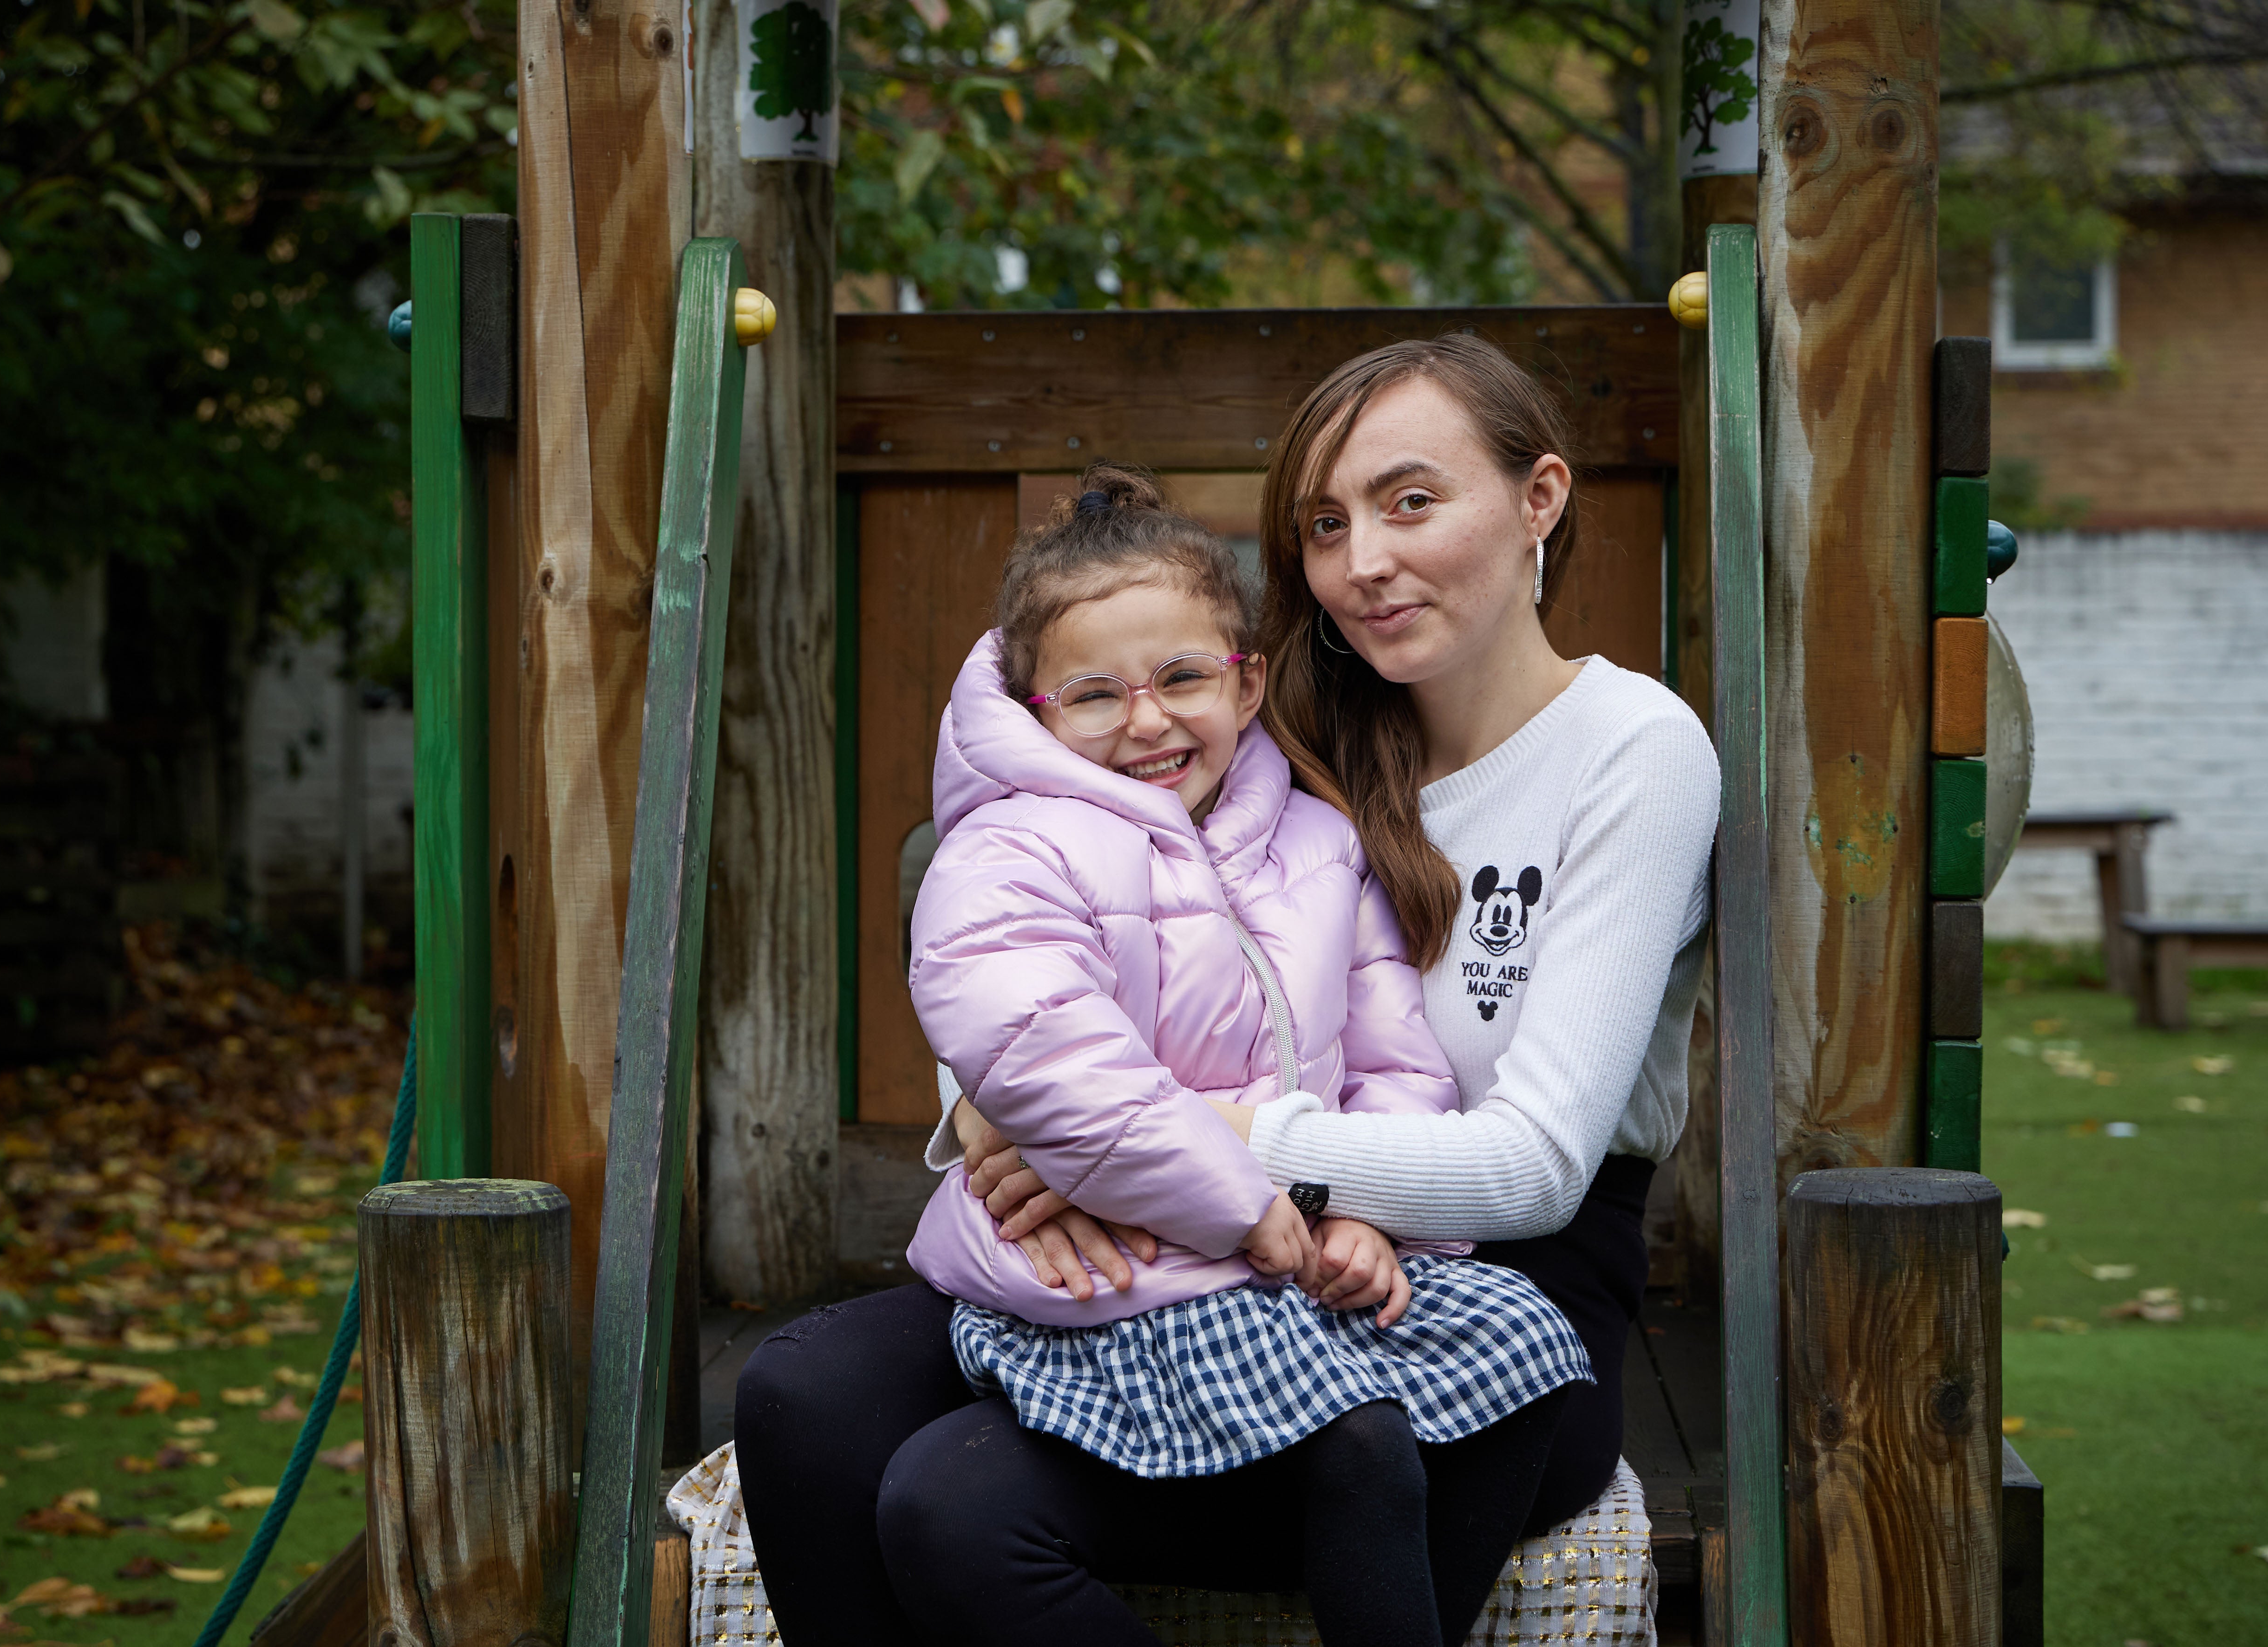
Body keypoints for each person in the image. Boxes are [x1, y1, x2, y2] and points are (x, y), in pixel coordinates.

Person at [735, 335, 1719, 1642]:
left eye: (1409, 500)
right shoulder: (1293, 721)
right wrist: (996, 1114)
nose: (1362, 558)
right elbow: (1046, 920)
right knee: (804, 1398)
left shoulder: (1630, 750)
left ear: (1539, 499)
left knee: (954, 1504)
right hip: (1184, 1234)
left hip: (1492, 1275)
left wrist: (1180, 1143)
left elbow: (1533, 1167)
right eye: (1325, 522)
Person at [886, 463, 1591, 1647]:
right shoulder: (1009, 848)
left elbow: (1396, 1055)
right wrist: (1249, 1209)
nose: (1149, 721)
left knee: (1522, 1339)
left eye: (1181, 678)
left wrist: (1374, 1212)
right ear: (1035, 710)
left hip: (1293, 1255)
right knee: (1359, 1438)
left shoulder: (1316, 840)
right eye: (1096, 694)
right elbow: (1052, 1054)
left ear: (1248, 679)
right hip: (1124, 1275)